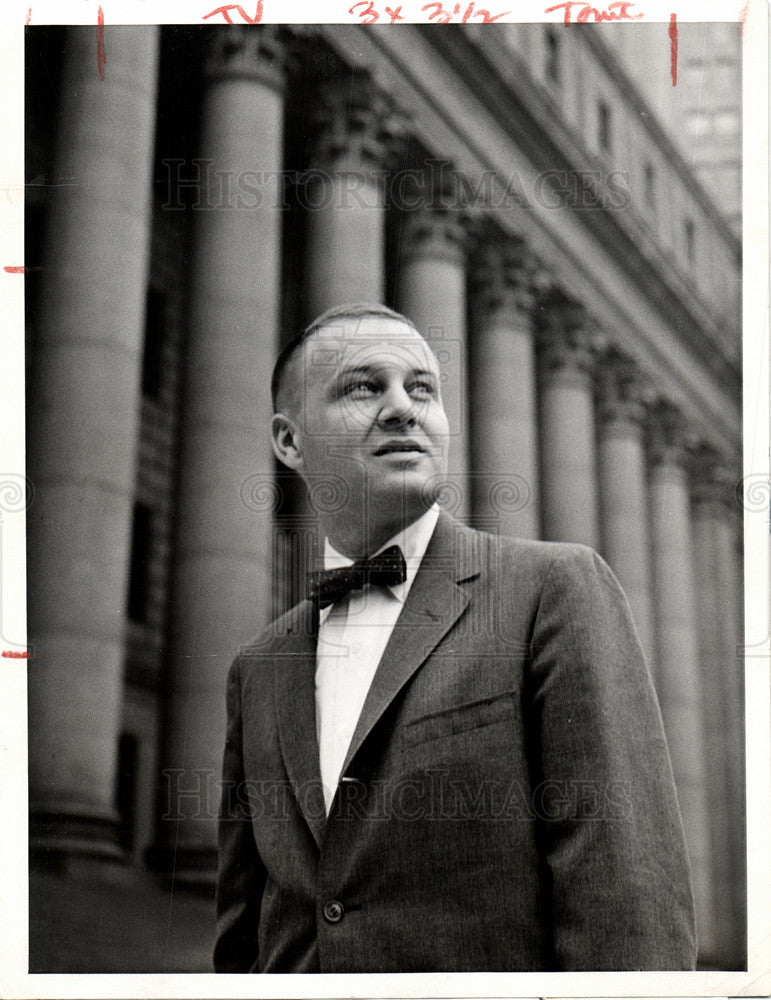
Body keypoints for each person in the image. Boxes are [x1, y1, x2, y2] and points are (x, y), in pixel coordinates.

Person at [213, 302, 697, 974]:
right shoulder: (257, 668)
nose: (402, 408)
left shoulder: (552, 589)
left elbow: (625, 904)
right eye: (363, 387)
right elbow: (243, 932)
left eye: (422, 389)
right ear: (289, 442)